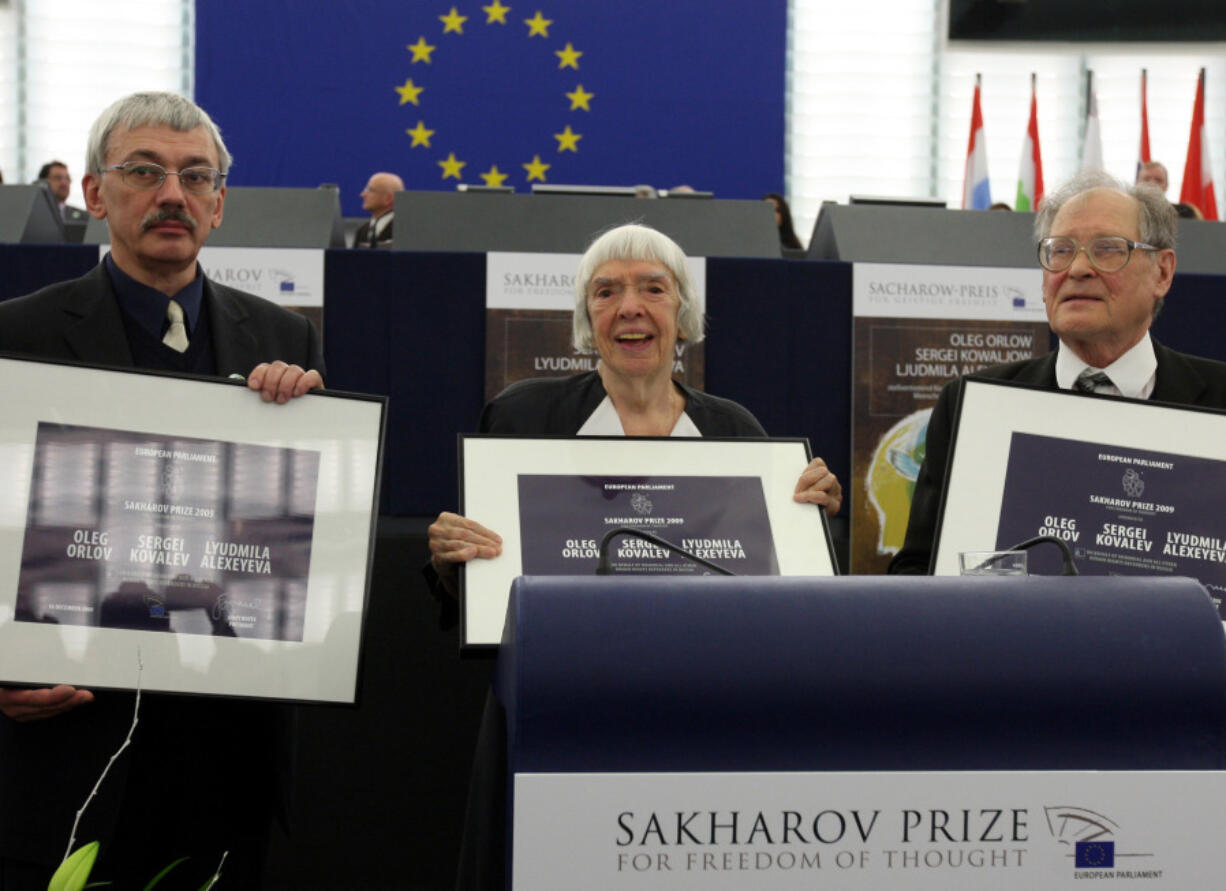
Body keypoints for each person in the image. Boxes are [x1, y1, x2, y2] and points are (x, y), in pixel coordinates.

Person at [0, 91, 323, 888]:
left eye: (194, 176)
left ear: (219, 204)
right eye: (144, 171)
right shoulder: (17, 335)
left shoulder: (282, 342)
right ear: (95, 193)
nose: (171, 194)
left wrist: (305, 444)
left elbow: (301, 541)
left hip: (227, 759)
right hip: (68, 749)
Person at [428, 222, 842, 595]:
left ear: (683, 316)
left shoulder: (735, 429)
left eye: (654, 289)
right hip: (560, 663)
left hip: (701, 664)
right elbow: (476, 583)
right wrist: (451, 559)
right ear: (588, 322)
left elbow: (769, 573)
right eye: (606, 292)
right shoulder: (521, 415)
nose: (630, 307)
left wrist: (807, 523)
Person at [889, 170, 1226, 574]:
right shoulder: (971, 407)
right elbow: (919, 570)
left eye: (1107, 249)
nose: (1078, 269)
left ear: (1162, 273)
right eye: (1061, 250)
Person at [353, 171, 403, 248]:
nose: (362, 195)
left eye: (370, 190)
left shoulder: (403, 232)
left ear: (388, 199)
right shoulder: (362, 231)